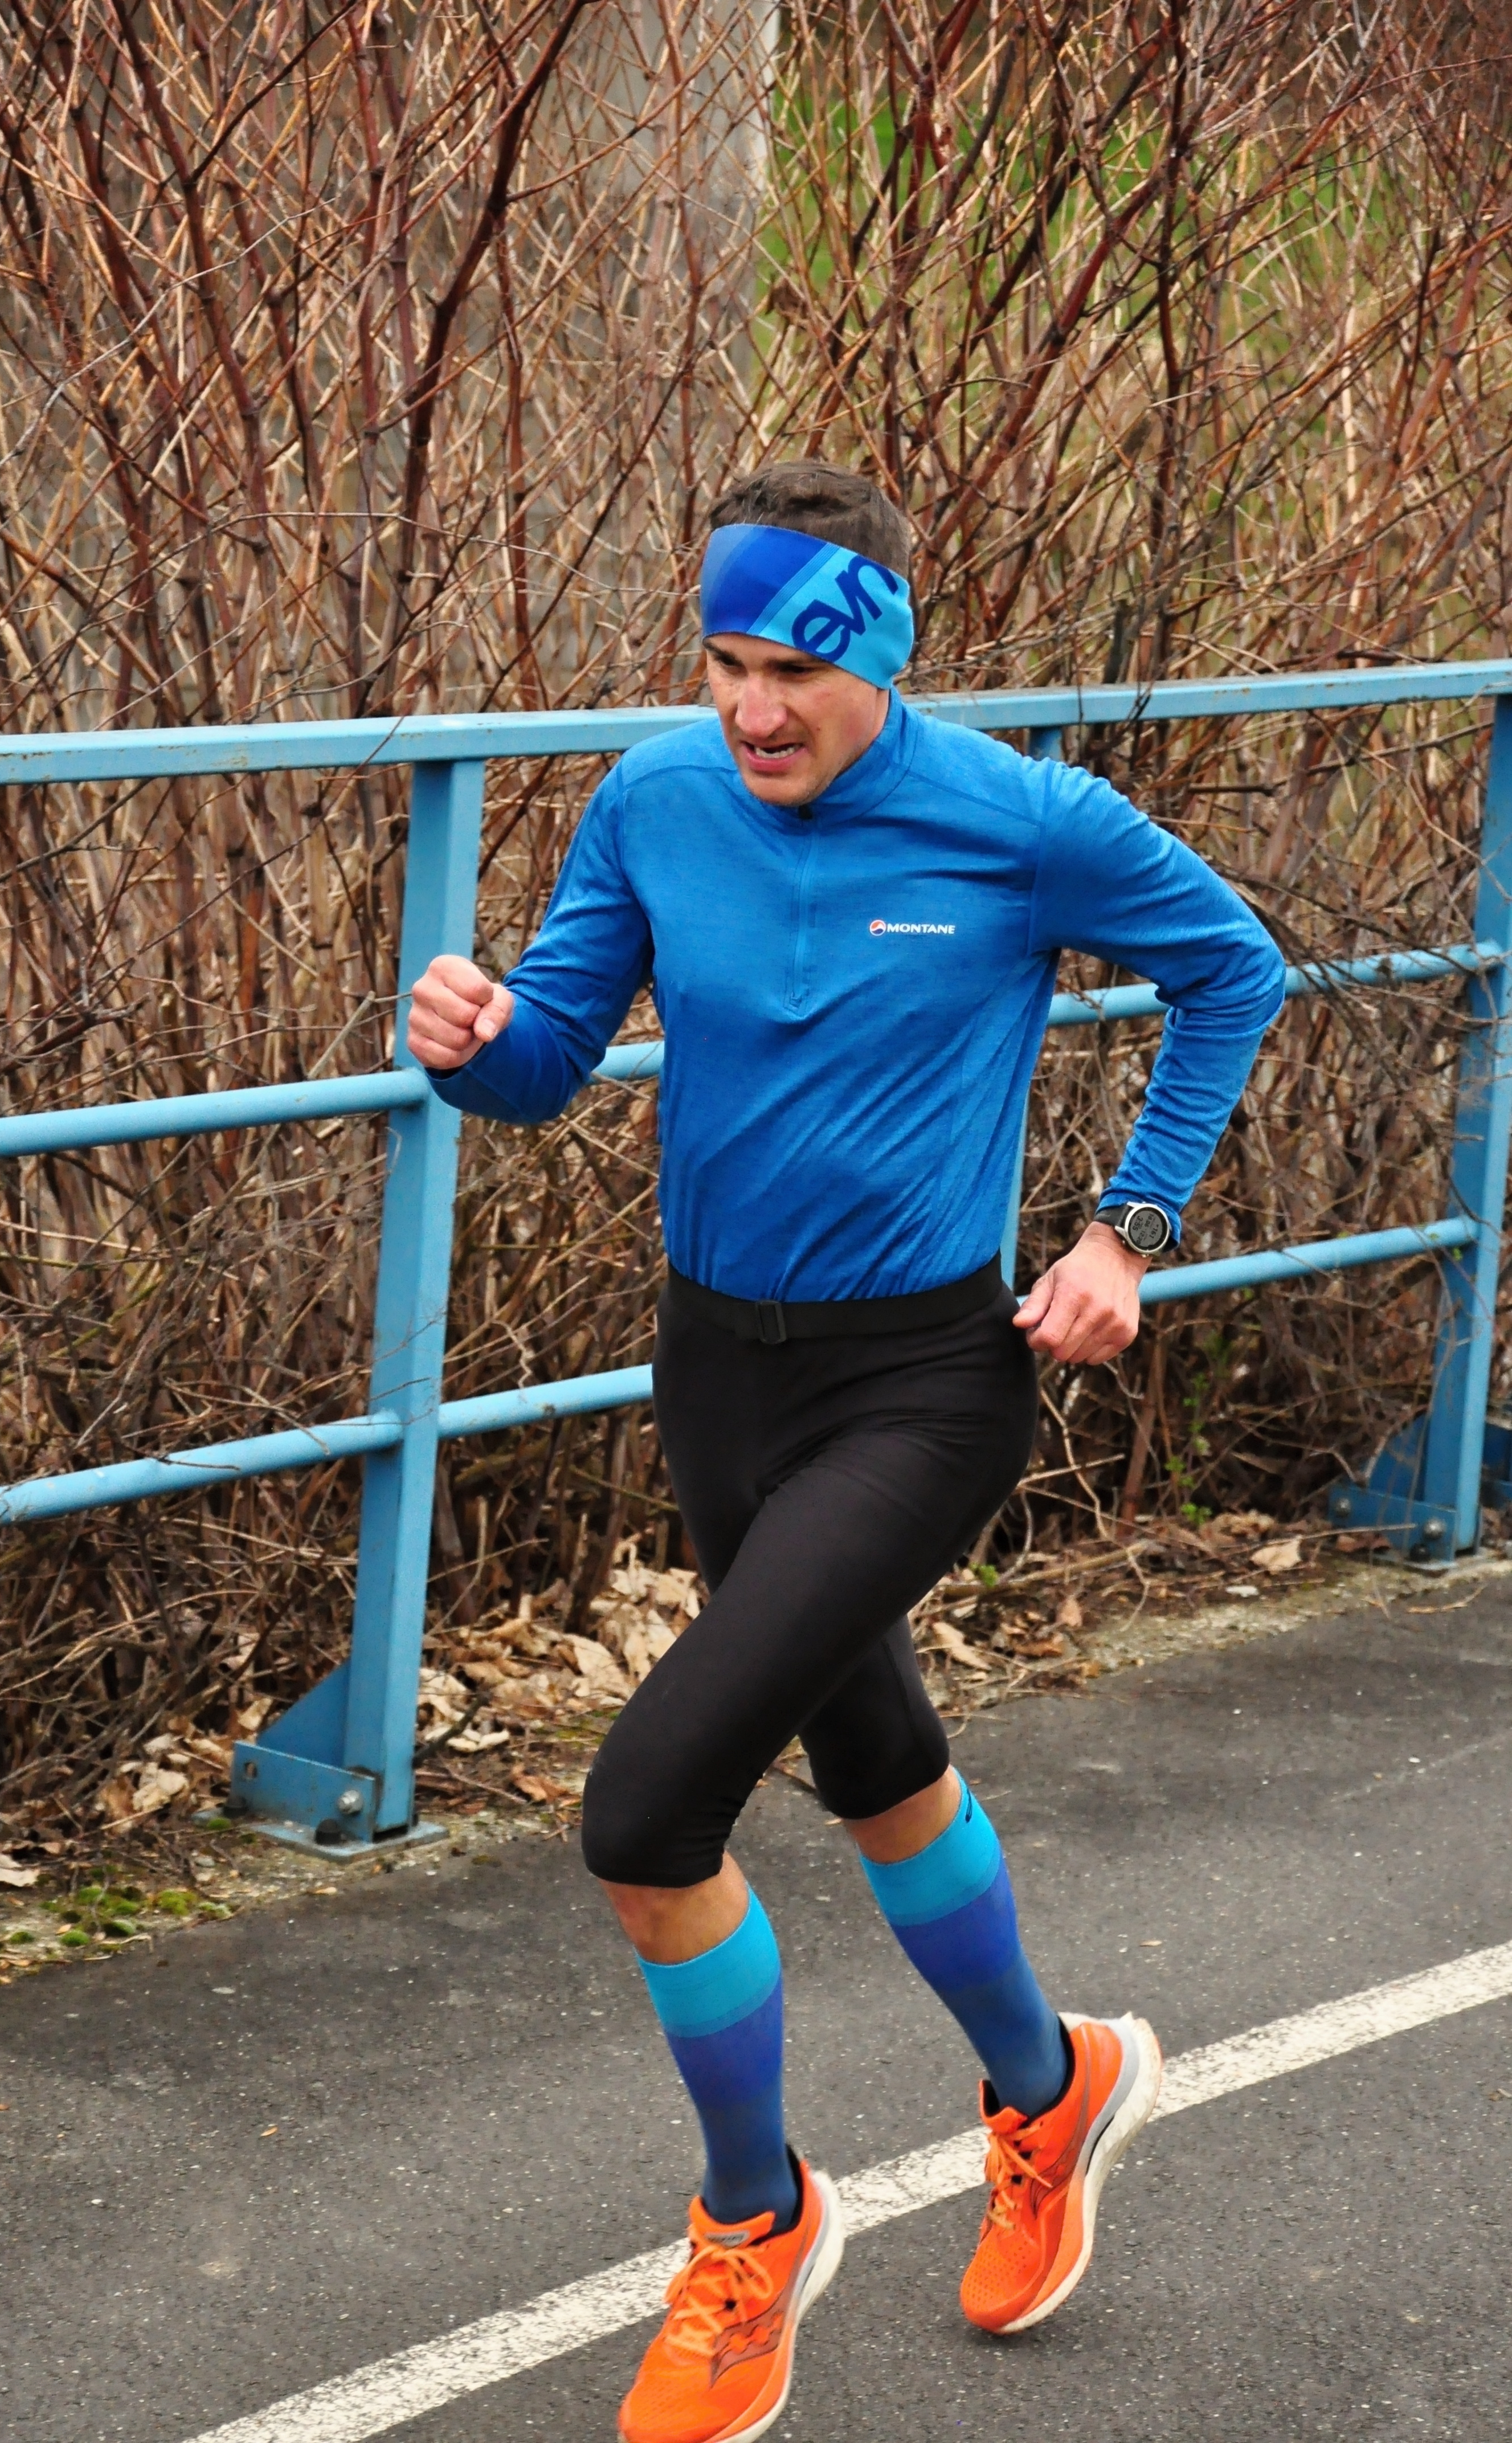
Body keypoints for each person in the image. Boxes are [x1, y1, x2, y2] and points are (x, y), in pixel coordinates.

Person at [408, 459, 1285, 2443]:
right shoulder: (656, 801)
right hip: (718, 1370)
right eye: (725, 662)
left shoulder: (1024, 820)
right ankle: (1054, 2089)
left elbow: (1235, 969)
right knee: (872, 1753)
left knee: (647, 1814)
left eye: (794, 669)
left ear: (878, 659)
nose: (752, 707)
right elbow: (548, 1062)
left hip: (923, 1383)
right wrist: (466, 1041)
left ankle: (756, 2219)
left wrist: (1126, 1229)